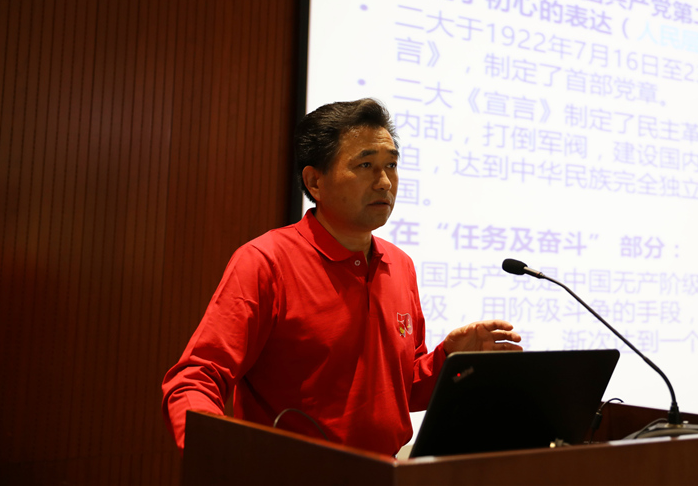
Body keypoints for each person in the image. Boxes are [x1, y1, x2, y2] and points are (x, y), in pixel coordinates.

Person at [161, 98, 522, 455]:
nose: (385, 182)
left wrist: (450, 359)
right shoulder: (266, 262)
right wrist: (215, 454)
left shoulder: (400, 265)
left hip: (387, 474)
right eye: (365, 165)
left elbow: (402, 390)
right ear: (315, 181)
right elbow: (195, 379)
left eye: (391, 164)